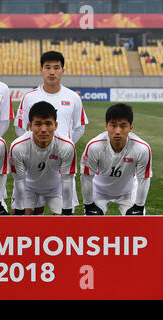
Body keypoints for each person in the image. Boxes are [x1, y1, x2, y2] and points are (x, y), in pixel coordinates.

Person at [14, 50, 87, 214]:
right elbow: (20, 127)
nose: (52, 72)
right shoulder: (29, 97)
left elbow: (80, 127)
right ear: (41, 70)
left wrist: (62, 148)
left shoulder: (73, 97)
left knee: (64, 220)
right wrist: (35, 148)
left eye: (56, 67)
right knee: (28, 216)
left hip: (61, 163)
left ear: (63, 70)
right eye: (47, 67)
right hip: (34, 166)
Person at [80, 103, 152, 215]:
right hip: (99, 191)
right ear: (106, 126)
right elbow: (86, 177)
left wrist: (139, 206)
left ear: (130, 128)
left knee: (137, 225)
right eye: (113, 125)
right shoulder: (94, 146)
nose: (117, 131)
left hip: (128, 192)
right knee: (92, 225)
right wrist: (88, 204)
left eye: (123, 126)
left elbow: (144, 178)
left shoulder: (142, 148)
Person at [9, 101, 76, 215]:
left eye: (48, 124)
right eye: (38, 124)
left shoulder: (67, 146)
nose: (44, 129)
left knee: (64, 225)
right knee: (21, 224)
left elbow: (67, 180)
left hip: (56, 187)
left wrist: (67, 210)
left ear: (55, 125)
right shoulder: (18, 147)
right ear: (30, 126)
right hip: (29, 187)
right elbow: (19, 181)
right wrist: (19, 211)